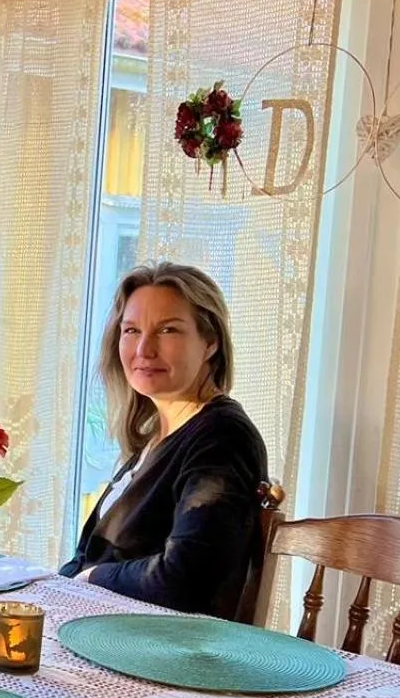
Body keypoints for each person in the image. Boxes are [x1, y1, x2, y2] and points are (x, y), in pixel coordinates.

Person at [59, 262, 268, 619]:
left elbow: (185, 580)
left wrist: (92, 577)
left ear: (210, 343)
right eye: (131, 330)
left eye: (168, 330)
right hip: (101, 628)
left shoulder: (222, 438)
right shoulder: (158, 436)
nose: (143, 349)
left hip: (158, 654)